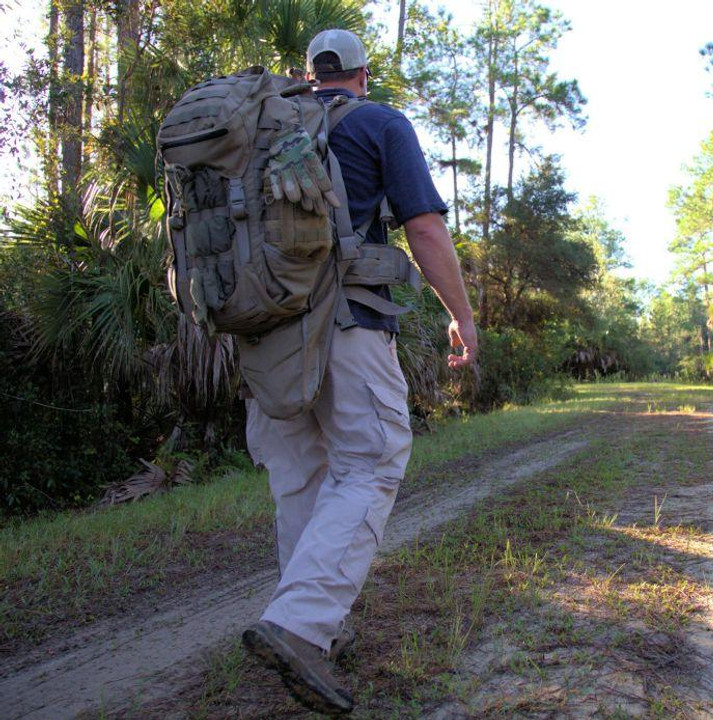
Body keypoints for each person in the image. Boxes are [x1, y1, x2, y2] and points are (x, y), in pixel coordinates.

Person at [240, 28, 477, 716]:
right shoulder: (379, 121)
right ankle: (299, 626)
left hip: (262, 333)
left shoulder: (264, 128)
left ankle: (316, 623)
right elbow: (425, 230)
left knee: (302, 477)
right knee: (372, 460)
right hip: (346, 324)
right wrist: (461, 315)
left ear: (309, 72)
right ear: (363, 73)